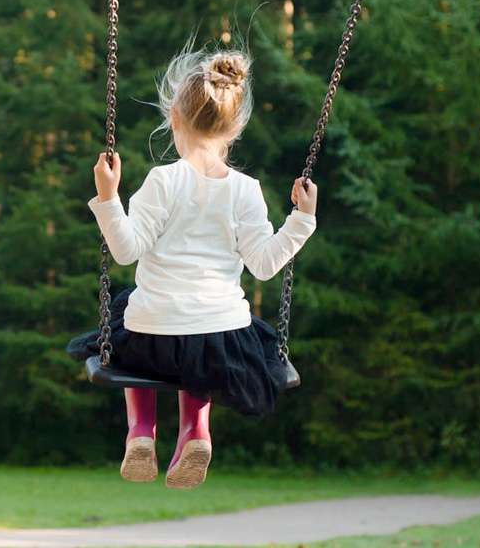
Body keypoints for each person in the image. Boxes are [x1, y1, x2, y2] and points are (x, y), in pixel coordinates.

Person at [66, 37, 317, 489]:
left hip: (152, 337)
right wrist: (302, 219)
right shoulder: (246, 189)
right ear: (234, 128)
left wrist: (108, 197)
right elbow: (264, 265)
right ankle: (196, 431)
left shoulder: (163, 181)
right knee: (203, 347)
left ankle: (141, 432)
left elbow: (125, 250)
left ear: (175, 119)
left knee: (129, 318)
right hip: (220, 340)